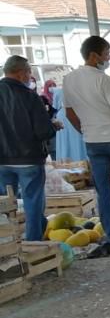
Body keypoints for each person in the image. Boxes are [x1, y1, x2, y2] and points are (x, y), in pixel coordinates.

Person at [62, 35, 110, 258]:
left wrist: (85, 130)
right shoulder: (102, 79)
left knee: (103, 192)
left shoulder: (68, 80)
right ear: (94, 56)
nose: (109, 58)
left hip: (92, 141)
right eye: (106, 54)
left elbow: (69, 113)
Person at [0, 55, 55, 241]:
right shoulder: (30, 96)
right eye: (29, 71)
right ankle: (33, 243)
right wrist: (53, 125)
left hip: (2, 160)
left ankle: (9, 243)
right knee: (33, 202)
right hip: (29, 158)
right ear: (21, 73)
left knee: (6, 204)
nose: (30, 76)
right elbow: (43, 131)